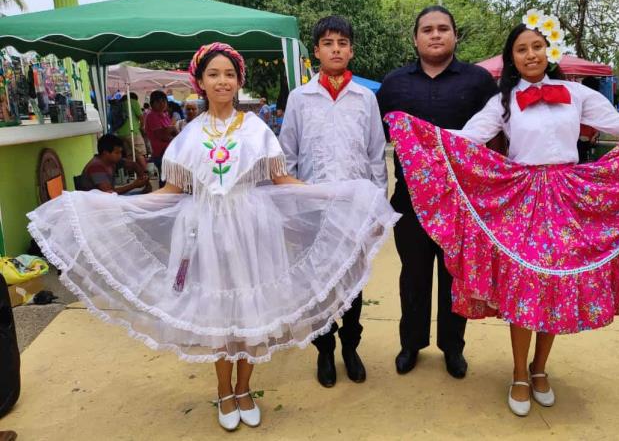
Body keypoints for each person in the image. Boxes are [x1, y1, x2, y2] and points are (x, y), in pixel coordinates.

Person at [384, 13, 619, 417]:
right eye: (521, 49)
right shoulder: (502, 99)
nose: (530, 55)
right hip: (521, 200)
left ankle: (540, 369)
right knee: (526, 284)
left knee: (557, 282)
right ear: (512, 58)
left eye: (536, 47)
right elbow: (468, 138)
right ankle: (519, 372)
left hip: (569, 198)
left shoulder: (576, 94)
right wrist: (415, 132)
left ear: (548, 50)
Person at [27, 42, 398, 432]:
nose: (222, 81)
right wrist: (110, 206)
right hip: (204, 231)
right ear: (200, 82)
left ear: (239, 80)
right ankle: (224, 392)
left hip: (253, 230)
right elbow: (171, 192)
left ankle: (245, 389)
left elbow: (281, 179)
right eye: (213, 74)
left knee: (252, 316)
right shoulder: (188, 135)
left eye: (229, 74)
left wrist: (334, 195)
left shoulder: (256, 130)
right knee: (222, 320)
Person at [377, 6, 498, 378]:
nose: (435, 35)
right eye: (427, 29)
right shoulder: (394, 84)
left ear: (455, 36)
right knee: (413, 276)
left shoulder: (478, 82)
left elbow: (495, 136)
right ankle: (410, 344)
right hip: (410, 201)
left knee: (454, 277)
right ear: (415, 39)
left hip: (461, 202)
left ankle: (453, 348)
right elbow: (376, 138)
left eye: (443, 28)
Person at [279, 16, 388, 389]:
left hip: (354, 211)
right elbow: (286, 156)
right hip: (312, 211)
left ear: (351, 50)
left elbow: (376, 156)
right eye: (328, 43)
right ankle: (324, 350)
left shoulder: (366, 99)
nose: (336, 49)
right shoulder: (300, 98)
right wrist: (291, 210)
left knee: (353, 284)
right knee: (317, 286)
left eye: (342, 42)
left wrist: (378, 207)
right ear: (317, 51)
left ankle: (350, 347)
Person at [79, 134, 149, 194]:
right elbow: (109, 192)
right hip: (96, 204)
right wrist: (133, 185)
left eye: (120, 152)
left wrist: (145, 181)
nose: (120, 155)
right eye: (117, 153)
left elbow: (133, 165)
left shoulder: (111, 161)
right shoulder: (96, 167)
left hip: (108, 200)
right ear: (105, 153)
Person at [145, 90, 177, 187]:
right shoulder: (151, 116)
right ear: (152, 104)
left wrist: (171, 130)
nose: (162, 103)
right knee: (165, 180)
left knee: (171, 179)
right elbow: (161, 135)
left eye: (164, 101)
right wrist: (171, 130)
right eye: (158, 101)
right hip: (161, 152)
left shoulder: (165, 115)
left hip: (169, 151)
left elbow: (172, 132)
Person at [114, 92, 149, 173]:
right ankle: (145, 174)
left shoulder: (120, 104)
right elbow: (141, 117)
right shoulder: (133, 101)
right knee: (140, 153)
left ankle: (130, 173)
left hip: (120, 133)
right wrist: (141, 127)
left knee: (129, 154)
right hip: (133, 132)